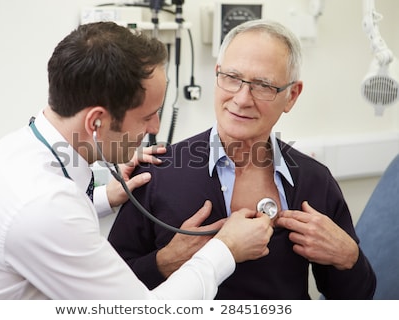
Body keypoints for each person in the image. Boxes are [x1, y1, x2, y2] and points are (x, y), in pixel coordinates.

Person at [0, 21, 274, 299]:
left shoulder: (15, 150)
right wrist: (226, 248)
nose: (155, 129)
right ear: (96, 122)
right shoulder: (42, 206)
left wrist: (107, 196)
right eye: (148, 116)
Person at [108, 19, 377, 299]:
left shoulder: (314, 181)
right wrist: (163, 263)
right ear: (217, 75)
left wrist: (349, 257)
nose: (242, 98)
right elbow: (108, 292)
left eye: (263, 85)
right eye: (232, 78)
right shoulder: (157, 173)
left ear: (291, 96)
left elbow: (355, 299)